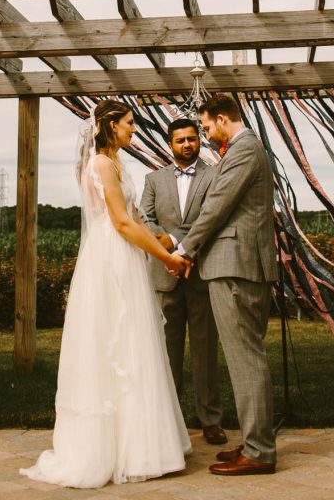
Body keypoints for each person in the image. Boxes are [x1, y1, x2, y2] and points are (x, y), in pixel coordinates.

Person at [20, 99, 191, 489]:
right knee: (116, 344)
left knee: (135, 344)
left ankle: (142, 445)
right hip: (111, 259)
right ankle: (114, 449)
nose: (134, 129)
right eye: (129, 123)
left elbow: (137, 220)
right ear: (112, 125)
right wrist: (166, 257)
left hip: (125, 255)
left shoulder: (116, 163)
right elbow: (121, 223)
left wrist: (164, 253)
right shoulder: (100, 164)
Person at [176, 94, 277, 476]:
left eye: (205, 127)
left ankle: (260, 452)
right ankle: (254, 443)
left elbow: (216, 205)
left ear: (221, 119)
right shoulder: (242, 149)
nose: (204, 134)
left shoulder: (244, 149)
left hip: (237, 266)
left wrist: (185, 249)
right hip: (236, 264)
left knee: (246, 360)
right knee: (243, 359)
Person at [140, 118, 226, 446]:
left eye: (192, 139)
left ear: (198, 140)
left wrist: (177, 243)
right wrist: (167, 252)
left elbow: (211, 217)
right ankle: (169, 421)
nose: (187, 145)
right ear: (170, 144)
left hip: (200, 273)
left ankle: (211, 420)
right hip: (164, 275)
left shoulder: (214, 175)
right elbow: (144, 217)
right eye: (180, 140)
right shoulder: (153, 179)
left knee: (205, 352)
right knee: (166, 353)